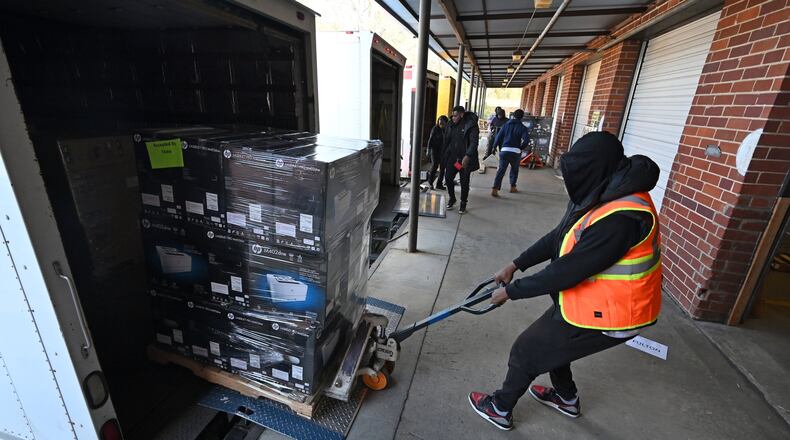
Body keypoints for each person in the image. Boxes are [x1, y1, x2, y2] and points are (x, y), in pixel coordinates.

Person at [467, 131, 662, 431]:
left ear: (598, 168)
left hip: (615, 314)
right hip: (591, 301)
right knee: (555, 346)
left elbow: (567, 271)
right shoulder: (601, 190)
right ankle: (566, 398)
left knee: (526, 350)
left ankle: (500, 407)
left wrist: (512, 292)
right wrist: (516, 264)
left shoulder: (621, 218)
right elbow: (559, 237)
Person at [443, 105, 479, 214]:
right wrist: (444, 155)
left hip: (464, 161)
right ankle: (452, 198)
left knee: (464, 182)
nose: (453, 118)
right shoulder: (451, 125)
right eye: (452, 116)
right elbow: (447, 140)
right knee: (448, 178)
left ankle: (463, 203)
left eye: (455, 116)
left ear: (462, 114)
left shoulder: (471, 125)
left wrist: (467, 156)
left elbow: (474, 142)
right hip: (454, 159)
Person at [490, 109, 529, 197]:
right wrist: (520, 148)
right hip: (515, 152)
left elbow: (498, 137)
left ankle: (495, 189)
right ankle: (512, 187)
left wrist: (494, 147)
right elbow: (526, 141)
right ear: (522, 117)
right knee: (514, 170)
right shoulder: (522, 127)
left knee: (501, 170)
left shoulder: (505, 125)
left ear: (513, 116)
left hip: (504, 150)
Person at [426, 116, 448, 190]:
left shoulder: (447, 130)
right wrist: (428, 150)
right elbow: (430, 139)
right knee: (435, 166)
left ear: (446, 123)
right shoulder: (435, 129)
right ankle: (430, 182)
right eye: (440, 122)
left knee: (442, 168)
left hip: (443, 151)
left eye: (442, 122)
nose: (441, 123)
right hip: (435, 151)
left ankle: (439, 184)